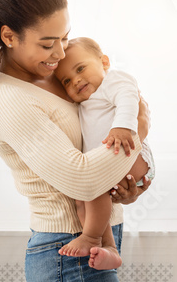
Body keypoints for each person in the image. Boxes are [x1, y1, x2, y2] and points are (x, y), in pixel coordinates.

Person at [0, 0, 151, 281]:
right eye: (46, 43)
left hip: (96, 244)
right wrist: (138, 128)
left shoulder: (57, 75)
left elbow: (96, 142)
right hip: (66, 251)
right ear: (10, 37)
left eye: (64, 38)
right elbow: (82, 180)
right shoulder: (10, 100)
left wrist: (127, 187)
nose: (59, 53)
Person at [55, 37, 155, 268]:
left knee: (92, 188)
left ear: (104, 62)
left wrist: (122, 127)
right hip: (113, 165)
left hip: (134, 155)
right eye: (67, 81)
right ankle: (106, 246)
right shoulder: (85, 101)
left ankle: (91, 236)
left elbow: (129, 99)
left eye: (81, 69)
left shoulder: (114, 81)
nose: (76, 80)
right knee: (82, 198)